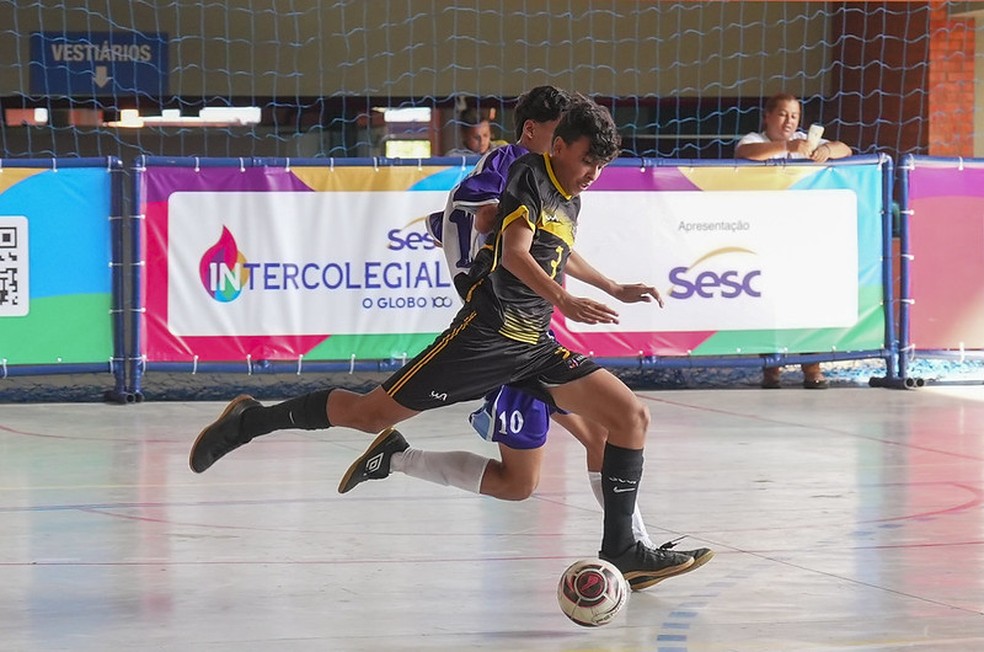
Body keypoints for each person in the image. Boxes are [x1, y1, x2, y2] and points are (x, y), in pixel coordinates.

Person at [190, 97, 713, 591]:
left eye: (601, 165)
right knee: (372, 414)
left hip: (533, 343)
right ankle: (250, 420)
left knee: (629, 417)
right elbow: (513, 252)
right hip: (487, 339)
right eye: (586, 161)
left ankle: (622, 547)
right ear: (555, 145)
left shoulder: (571, 195)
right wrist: (563, 299)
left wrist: (612, 287)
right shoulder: (526, 177)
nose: (592, 174)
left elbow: (559, 249)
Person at [425, 85, 662, 552]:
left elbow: (460, 225)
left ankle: (634, 549)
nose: (577, 157)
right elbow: (491, 223)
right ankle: (396, 458)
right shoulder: (512, 168)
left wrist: (611, 286)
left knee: (592, 438)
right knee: (520, 481)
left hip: (530, 331)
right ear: (536, 135)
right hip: (500, 332)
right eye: (564, 138)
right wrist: (487, 221)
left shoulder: (537, 183)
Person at [735, 92, 853, 390]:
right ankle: (771, 370)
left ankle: (812, 367)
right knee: (768, 301)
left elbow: (846, 149)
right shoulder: (754, 139)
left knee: (807, 299)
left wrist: (826, 150)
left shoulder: (807, 141)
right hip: (764, 234)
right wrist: (786, 147)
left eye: (795, 116)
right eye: (783, 114)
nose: (789, 121)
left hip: (803, 236)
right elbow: (744, 154)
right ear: (768, 116)